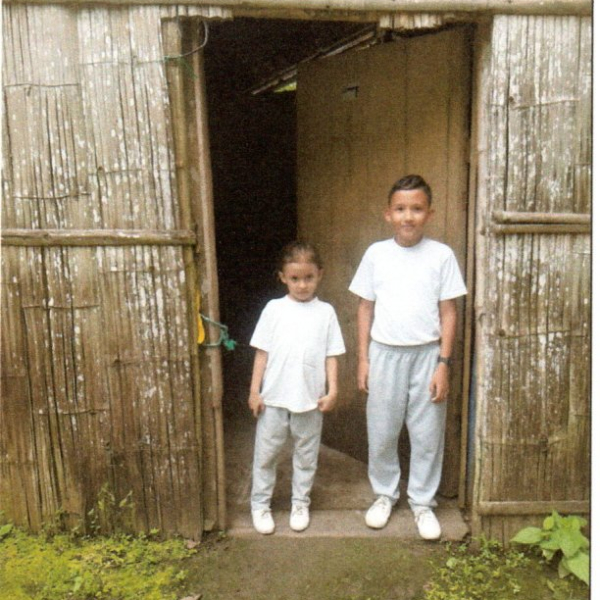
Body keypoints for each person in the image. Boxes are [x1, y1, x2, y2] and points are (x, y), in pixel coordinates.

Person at [348, 174, 467, 540]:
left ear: (429, 214)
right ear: (388, 214)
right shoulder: (376, 254)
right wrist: (363, 359)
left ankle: (422, 503)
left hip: (427, 356)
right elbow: (365, 308)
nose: (408, 216)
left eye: (416, 209)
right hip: (384, 354)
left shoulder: (441, 255)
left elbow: (449, 312)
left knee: (427, 433)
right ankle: (385, 495)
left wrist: (443, 364)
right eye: (400, 209)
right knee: (382, 431)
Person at [248, 241, 346, 534]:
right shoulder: (274, 309)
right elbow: (262, 352)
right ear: (283, 277)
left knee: (306, 455)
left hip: (310, 399)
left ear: (320, 275)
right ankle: (260, 504)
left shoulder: (326, 312)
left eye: (308, 278)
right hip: (274, 398)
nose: (302, 285)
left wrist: (333, 390)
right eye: (295, 278)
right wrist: (254, 391)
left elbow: (331, 355)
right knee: (266, 454)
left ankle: (300, 502)